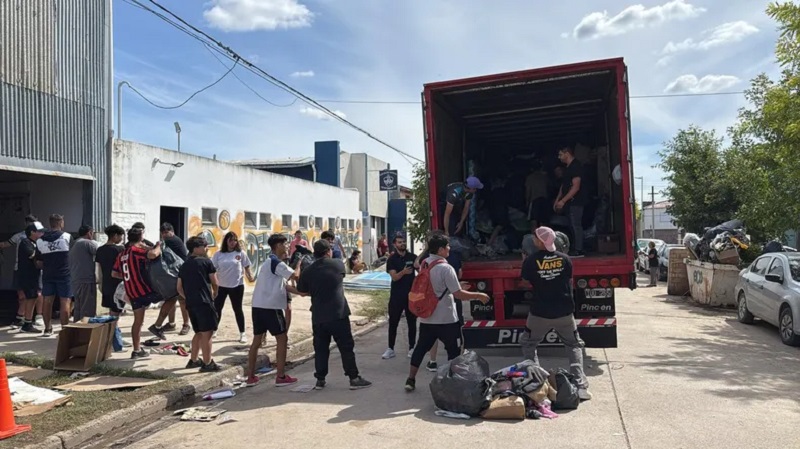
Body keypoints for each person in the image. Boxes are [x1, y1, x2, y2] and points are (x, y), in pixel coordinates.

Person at [405, 234, 489, 391]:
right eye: (447, 246)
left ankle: (410, 380)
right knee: (454, 352)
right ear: (440, 249)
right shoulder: (446, 268)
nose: (449, 248)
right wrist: (478, 295)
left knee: (420, 348)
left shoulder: (424, 264)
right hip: (446, 319)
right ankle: (453, 383)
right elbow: (458, 294)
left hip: (427, 318)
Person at [519, 226, 592, 401]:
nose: (533, 240)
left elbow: (524, 283)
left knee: (528, 343)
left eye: (535, 238)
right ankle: (580, 385)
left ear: (539, 241)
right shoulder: (565, 259)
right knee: (573, 345)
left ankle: (536, 383)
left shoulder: (530, 261)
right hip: (564, 311)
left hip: (539, 312)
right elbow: (567, 280)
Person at [297, 239, 372, 390]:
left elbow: (302, 290)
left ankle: (320, 379)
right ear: (328, 251)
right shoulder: (337, 264)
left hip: (318, 315)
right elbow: (340, 277)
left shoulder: (308, 271)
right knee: (346, 347)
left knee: (320, 348)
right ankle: (354, 378)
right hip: (338, 313)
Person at [112, 228, 177, 358]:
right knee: (173, 295)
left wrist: (128, 277)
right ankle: (158, 326)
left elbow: (114, 273)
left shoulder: (121, 255)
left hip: (132, 292)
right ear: (141, 238)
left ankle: (136, 350)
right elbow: (153, 254)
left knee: (137, 321)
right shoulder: (136, 251)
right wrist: (158, 245)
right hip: (144, 290)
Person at [245, 233, 300, 387]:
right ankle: (280, 376)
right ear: (278, 246)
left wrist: (301, 293)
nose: (288, 247)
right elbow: (295, 276)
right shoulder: (277, 263)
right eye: (286, 244)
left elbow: (284, 285)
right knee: (282, 339)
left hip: (258, 306)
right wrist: (300, 263)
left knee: (257, 341)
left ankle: (250, 376)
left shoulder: (268, 263)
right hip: (271, 308)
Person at [178, 236, 222, 372]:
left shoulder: (184, 264)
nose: (206, 248)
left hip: (191, 303)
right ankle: (208, 363)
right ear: (196, 248)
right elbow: (215, 282)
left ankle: (194, 359)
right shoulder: (206, 262)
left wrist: (189, 297)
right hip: (204, 302)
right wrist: (214, 294)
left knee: (198, 332)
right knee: (207, 333)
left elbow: (179, 288)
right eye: (204, 246)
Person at [0, 215, 44, 328]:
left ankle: (38, 316)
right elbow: (6, 244)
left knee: (37, 294)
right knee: (23, 295)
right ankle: (22, 318)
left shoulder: (41, 238)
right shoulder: (21, 238)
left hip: (35, 270)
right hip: (21, 269)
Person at [211, 231, 255, 343]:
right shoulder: (218, 254)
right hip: (221, 286)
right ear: (226, 241)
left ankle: (242, 333)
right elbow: (212, 270)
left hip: (237, 286)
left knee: (238, 309)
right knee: (217, 309)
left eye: (235, 240)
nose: (233, 242)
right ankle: (214, 330)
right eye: (230, 240)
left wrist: (250, 276)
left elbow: (246, 266)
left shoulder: (241, 253)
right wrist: (213, 284)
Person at [36, 214, 73, 336]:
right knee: (65, 302)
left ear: (50, 223)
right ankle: (64, 330)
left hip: (48, 275)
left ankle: (47, 329)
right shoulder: (67, 237)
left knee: (47, 301)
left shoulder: (40, 240)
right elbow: (73, 257)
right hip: (64, 274)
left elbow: (39, 262)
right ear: (61, 223)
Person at [382, 235, 418, 360]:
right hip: (397, 296)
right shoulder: (392, 259)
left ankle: (412, 348)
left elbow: (421, 268)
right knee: (393, 322)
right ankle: (390, 348)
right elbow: (395, 277)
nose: (402, 244)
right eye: (399, 242)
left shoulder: (412, 257)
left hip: (411, 296)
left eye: (404, 242)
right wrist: (403, 272)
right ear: (394, 244)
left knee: (411, 322)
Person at [554, 146, 586, 257]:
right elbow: (564, 186)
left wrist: (562, 201)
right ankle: (575, 248)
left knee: (576, 225)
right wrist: (558, 200)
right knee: (571, 225)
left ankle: (579, 250)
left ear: (567, 153)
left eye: (560, 154)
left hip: (576, 202)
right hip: (570, 203)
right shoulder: (568, 168)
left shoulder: (576, 166)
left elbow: (576, 187)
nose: (559, 157)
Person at [160, 222, 190, 335]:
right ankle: (171, 323)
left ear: (172, 232)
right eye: (162, 233)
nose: (164, 235)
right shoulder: (168, 241)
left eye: (166, 232)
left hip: (181, 273)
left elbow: (157, 249)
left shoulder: (173, 240)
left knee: (182, 300)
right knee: (171, 299)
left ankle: (186, 324)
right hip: (172, 273)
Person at [16, 222, 46, 333]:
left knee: (33, 297)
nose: (42, 233)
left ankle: (27, 322)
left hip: (34, 275)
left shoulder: (35, 243)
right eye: (39, 231)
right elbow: (33, 255)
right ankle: (27, 323)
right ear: (32, 232)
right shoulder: (26, 242)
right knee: (30, 297)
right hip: (27, 276)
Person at [69, 225, 99, 322]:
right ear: (89, 232)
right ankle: (85, 331)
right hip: (86, 279)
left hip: (75, 279)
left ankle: (77, 329)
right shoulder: (87, 243)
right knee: (87, 308)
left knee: (78, 307)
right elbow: (100, 253)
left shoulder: (74, 243)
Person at [95, 224, 125, 316]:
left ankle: (113, 328)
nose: (121, 239)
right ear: (115, 236)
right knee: (117, 310)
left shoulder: (100, 250)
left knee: (112, 308)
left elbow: (98, 269)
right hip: (118, 283)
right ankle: (113, 329)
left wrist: (100, 283)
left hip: (106, 283)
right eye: (121, 236)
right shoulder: (120, 249)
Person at [526, 163, 550, 228]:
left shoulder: (530, 177)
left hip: (534, 200)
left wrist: (527, 202)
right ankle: (542, 237)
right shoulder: (544, 177)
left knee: (533, 220)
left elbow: (528, 191)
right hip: (544, 200)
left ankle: (534, 237)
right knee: (543, 221)